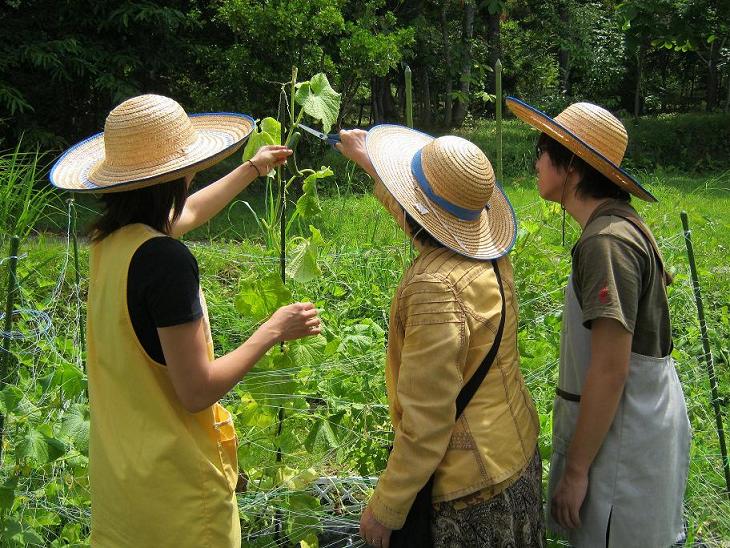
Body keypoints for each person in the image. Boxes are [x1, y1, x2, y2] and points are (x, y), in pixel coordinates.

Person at [49, 94, 321, 546]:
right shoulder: (166, 261)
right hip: (179, 504)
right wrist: (274, 329)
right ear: (178, 173)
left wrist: (253, 169)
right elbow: (196, 390)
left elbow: (185, 213)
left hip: (123, 494)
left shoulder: (110, 242)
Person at [337, 127, 543, 548]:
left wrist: (386, 508)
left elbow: (427, 422)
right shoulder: (489, 256)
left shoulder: (434, 287)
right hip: (516, 454)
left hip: (471, 493)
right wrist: (368, 162)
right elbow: (424, 223)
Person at [506, 97, 691, 547]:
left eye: (541, 152)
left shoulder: (605, 243)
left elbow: (611, 369)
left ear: (570, 166)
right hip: (630, 428)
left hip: (622, 441)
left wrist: (575, 471)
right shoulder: (618, 225)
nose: (535, 164)